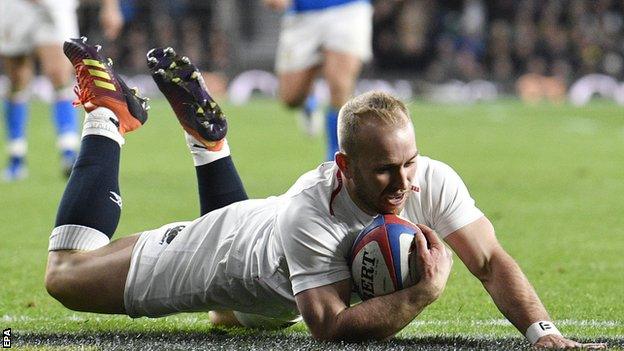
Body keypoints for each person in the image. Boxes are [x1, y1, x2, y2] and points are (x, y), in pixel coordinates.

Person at [44, 38, 605, 349]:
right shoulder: (315, 208)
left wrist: (544, 333)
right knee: (65, 277)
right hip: (234, 250)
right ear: (344, 166)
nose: (405, 183)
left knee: (230, 319)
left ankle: (209, 145)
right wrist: (420, 293)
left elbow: (489, 260)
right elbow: (331, 328)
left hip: (280, 292)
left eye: (410, 163)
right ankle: (107, 116)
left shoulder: (427, 177)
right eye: (385, 170)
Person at [0, 0, 123, 180]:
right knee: (17, 80)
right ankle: (16, 156)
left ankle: (69, 152)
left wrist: (111, 7)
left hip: (55, 6)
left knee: (59, 74)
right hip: (16, 6)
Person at [264, 0, 373, 161]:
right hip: (303, 14)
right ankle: (309, 102)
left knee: (339, 84)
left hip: (348, 9)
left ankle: (336, 154)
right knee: (290, 98)